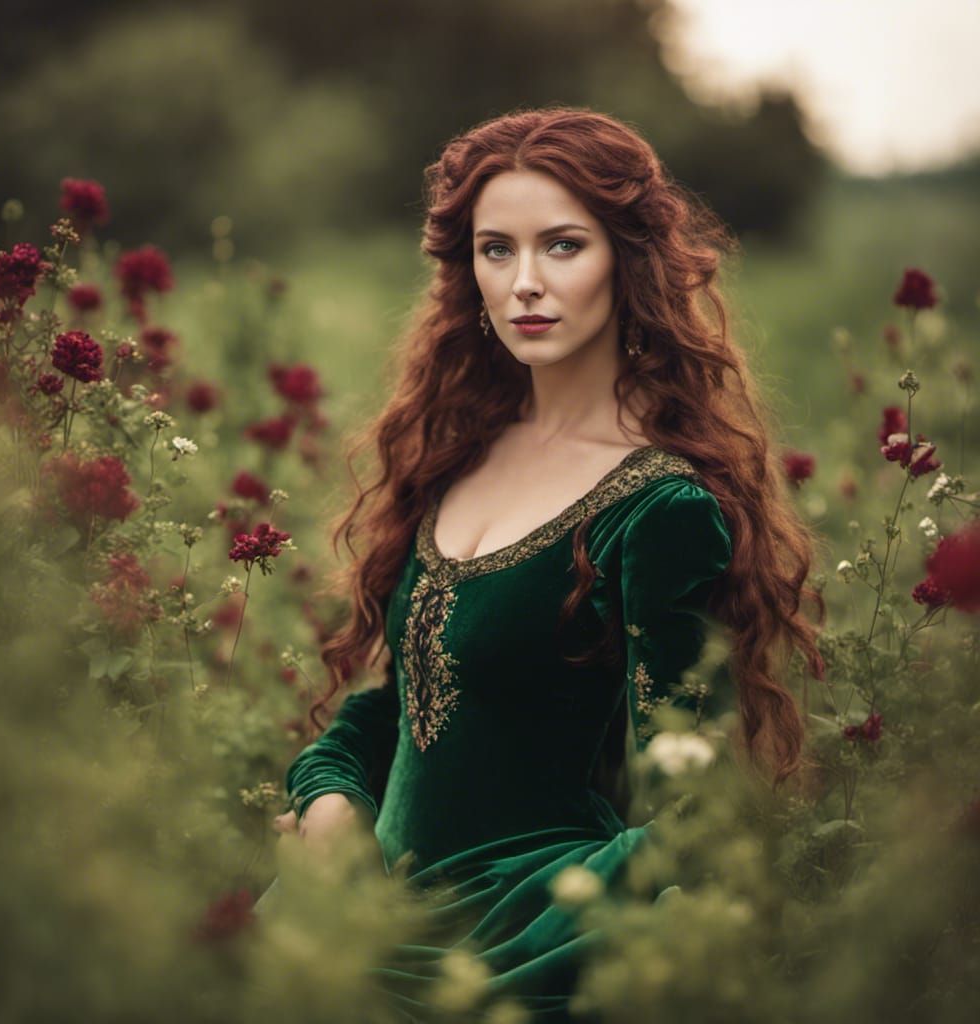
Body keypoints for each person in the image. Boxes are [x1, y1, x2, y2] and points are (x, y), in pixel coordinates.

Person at [259, 105, 826, 1022]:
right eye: (496, 250)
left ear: (626, 262)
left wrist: (524, 918)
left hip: (519, 953)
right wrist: (327, 803)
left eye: (562, 246)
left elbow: (698, 812)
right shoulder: (461, 454)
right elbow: (406, 705)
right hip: (365, 920)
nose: (524, 283)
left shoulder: (660, 508)